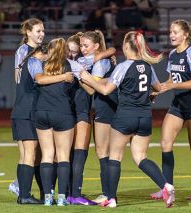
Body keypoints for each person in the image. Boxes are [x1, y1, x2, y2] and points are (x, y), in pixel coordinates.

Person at [80, 30, 175, 208]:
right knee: (141, 158)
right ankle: (166, 185)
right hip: (145, 117)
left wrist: (87, 78)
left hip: (125, 116)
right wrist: (151, 95)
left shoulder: (123, 66)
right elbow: (157, 87)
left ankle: (111, 199)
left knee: (114, 157)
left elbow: (106, 90)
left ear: (125, 46)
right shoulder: (148, 66)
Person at [150, 19, 191, 201]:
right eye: (170, 32)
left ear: (185, 35)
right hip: (178, 104)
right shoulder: (173, 54)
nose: (171, 35)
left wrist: (173, 84)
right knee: (165, 143)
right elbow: (169, 81)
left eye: (175, 32)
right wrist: (157, 91)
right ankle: (167, 188)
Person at [65, 31, 116, 205]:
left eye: (81, 47)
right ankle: (75, 194)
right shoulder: (77, 63)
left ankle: (65, 193)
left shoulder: (82, 61)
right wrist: (82, 76)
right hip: (80, 111)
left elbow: (110, 49)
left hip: (70, 110)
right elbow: (91, 90)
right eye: (78, 47)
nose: (79, 51)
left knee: (66, 154)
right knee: (80, 154)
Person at [35, 38, 75, 206]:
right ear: (64, 50)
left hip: (42, 112)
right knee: (63, 157)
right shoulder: (67, 66)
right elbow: (70, 90)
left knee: (47, 156)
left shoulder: (43, 64)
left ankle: (47, 197)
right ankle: (61, 198)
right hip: (62, 112)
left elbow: (39, 80)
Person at [9, 18, 45, 202]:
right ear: (28, 32)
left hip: (19, 108)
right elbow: (39, 79)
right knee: (30, 155)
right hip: (29, 109)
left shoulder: (23, 51)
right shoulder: (31, 53)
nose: (42, 34)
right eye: (38, 31)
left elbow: (18, 75)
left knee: (24, 155)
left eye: (43, 31)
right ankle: (24, 195)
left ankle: (22, 193)